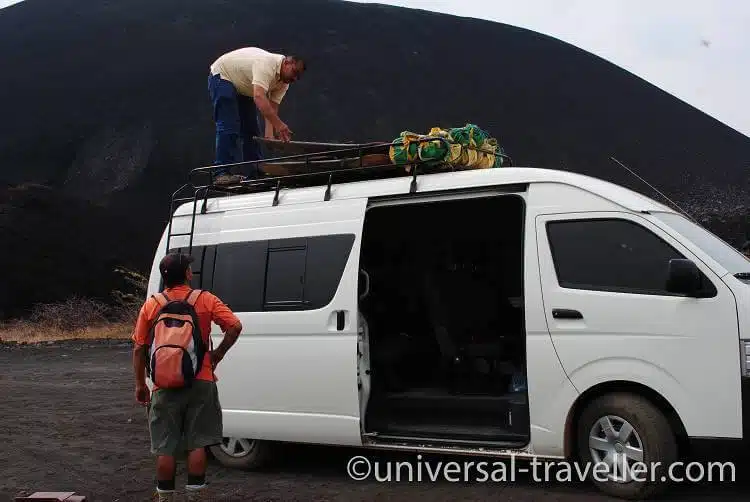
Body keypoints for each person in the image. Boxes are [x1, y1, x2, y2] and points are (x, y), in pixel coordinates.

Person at [131, 252, 243, 501]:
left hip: (162, 384)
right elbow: (234, 325)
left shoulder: (152, 304)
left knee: (165, 446)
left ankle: (165, 498)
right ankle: (195, 496)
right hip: (200, 380)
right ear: (188, 274)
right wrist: (217, 355)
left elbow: (139, 348)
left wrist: (141, 384)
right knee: (197, 443)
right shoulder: (204, 299)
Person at [207, 47, 306, 185]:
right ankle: (221, 173)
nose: (294, 78)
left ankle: (254, 173)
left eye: (298, 77)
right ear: (287, 62)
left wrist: (269, 135)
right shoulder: (267, 64)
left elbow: (272, 107)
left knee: (251, 130)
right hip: (223, 75)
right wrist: (279, 125)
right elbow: (259, 96)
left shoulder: (284, 82)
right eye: (294, 72)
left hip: (245, 85)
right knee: (229, 126)